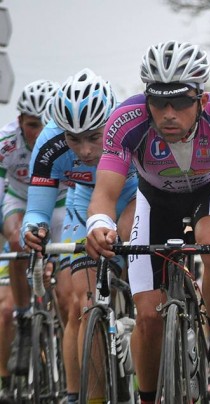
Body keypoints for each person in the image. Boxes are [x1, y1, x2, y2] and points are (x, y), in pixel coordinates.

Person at [85, 40, 210, 403]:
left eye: (180, 102)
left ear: (201, 100)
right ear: (146, 98)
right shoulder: (126, 122)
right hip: (155, 200)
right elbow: (104, 195)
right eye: (158, 101)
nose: (168, 113)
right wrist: (98, 224)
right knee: (149, 317)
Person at [21, 68, 137, 404]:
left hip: (133, 196)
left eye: (94, 137)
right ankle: (82, 397)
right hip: (84, 201)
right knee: (82, 304)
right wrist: (34, 230)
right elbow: (37, 210)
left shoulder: (130, 130)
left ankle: (135, 315)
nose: (85, 150)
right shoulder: (49, 144)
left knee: (131, 241)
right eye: (74, 139)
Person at [0, 79, 60, 393]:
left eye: (45, 124)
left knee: (63, 250)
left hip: (59, 197)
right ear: (20, 120)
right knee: (16, 240)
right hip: (20, 198)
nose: (38, 132)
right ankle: (24, 318)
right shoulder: (6, 141)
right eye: (32, 124)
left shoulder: (66, 136)